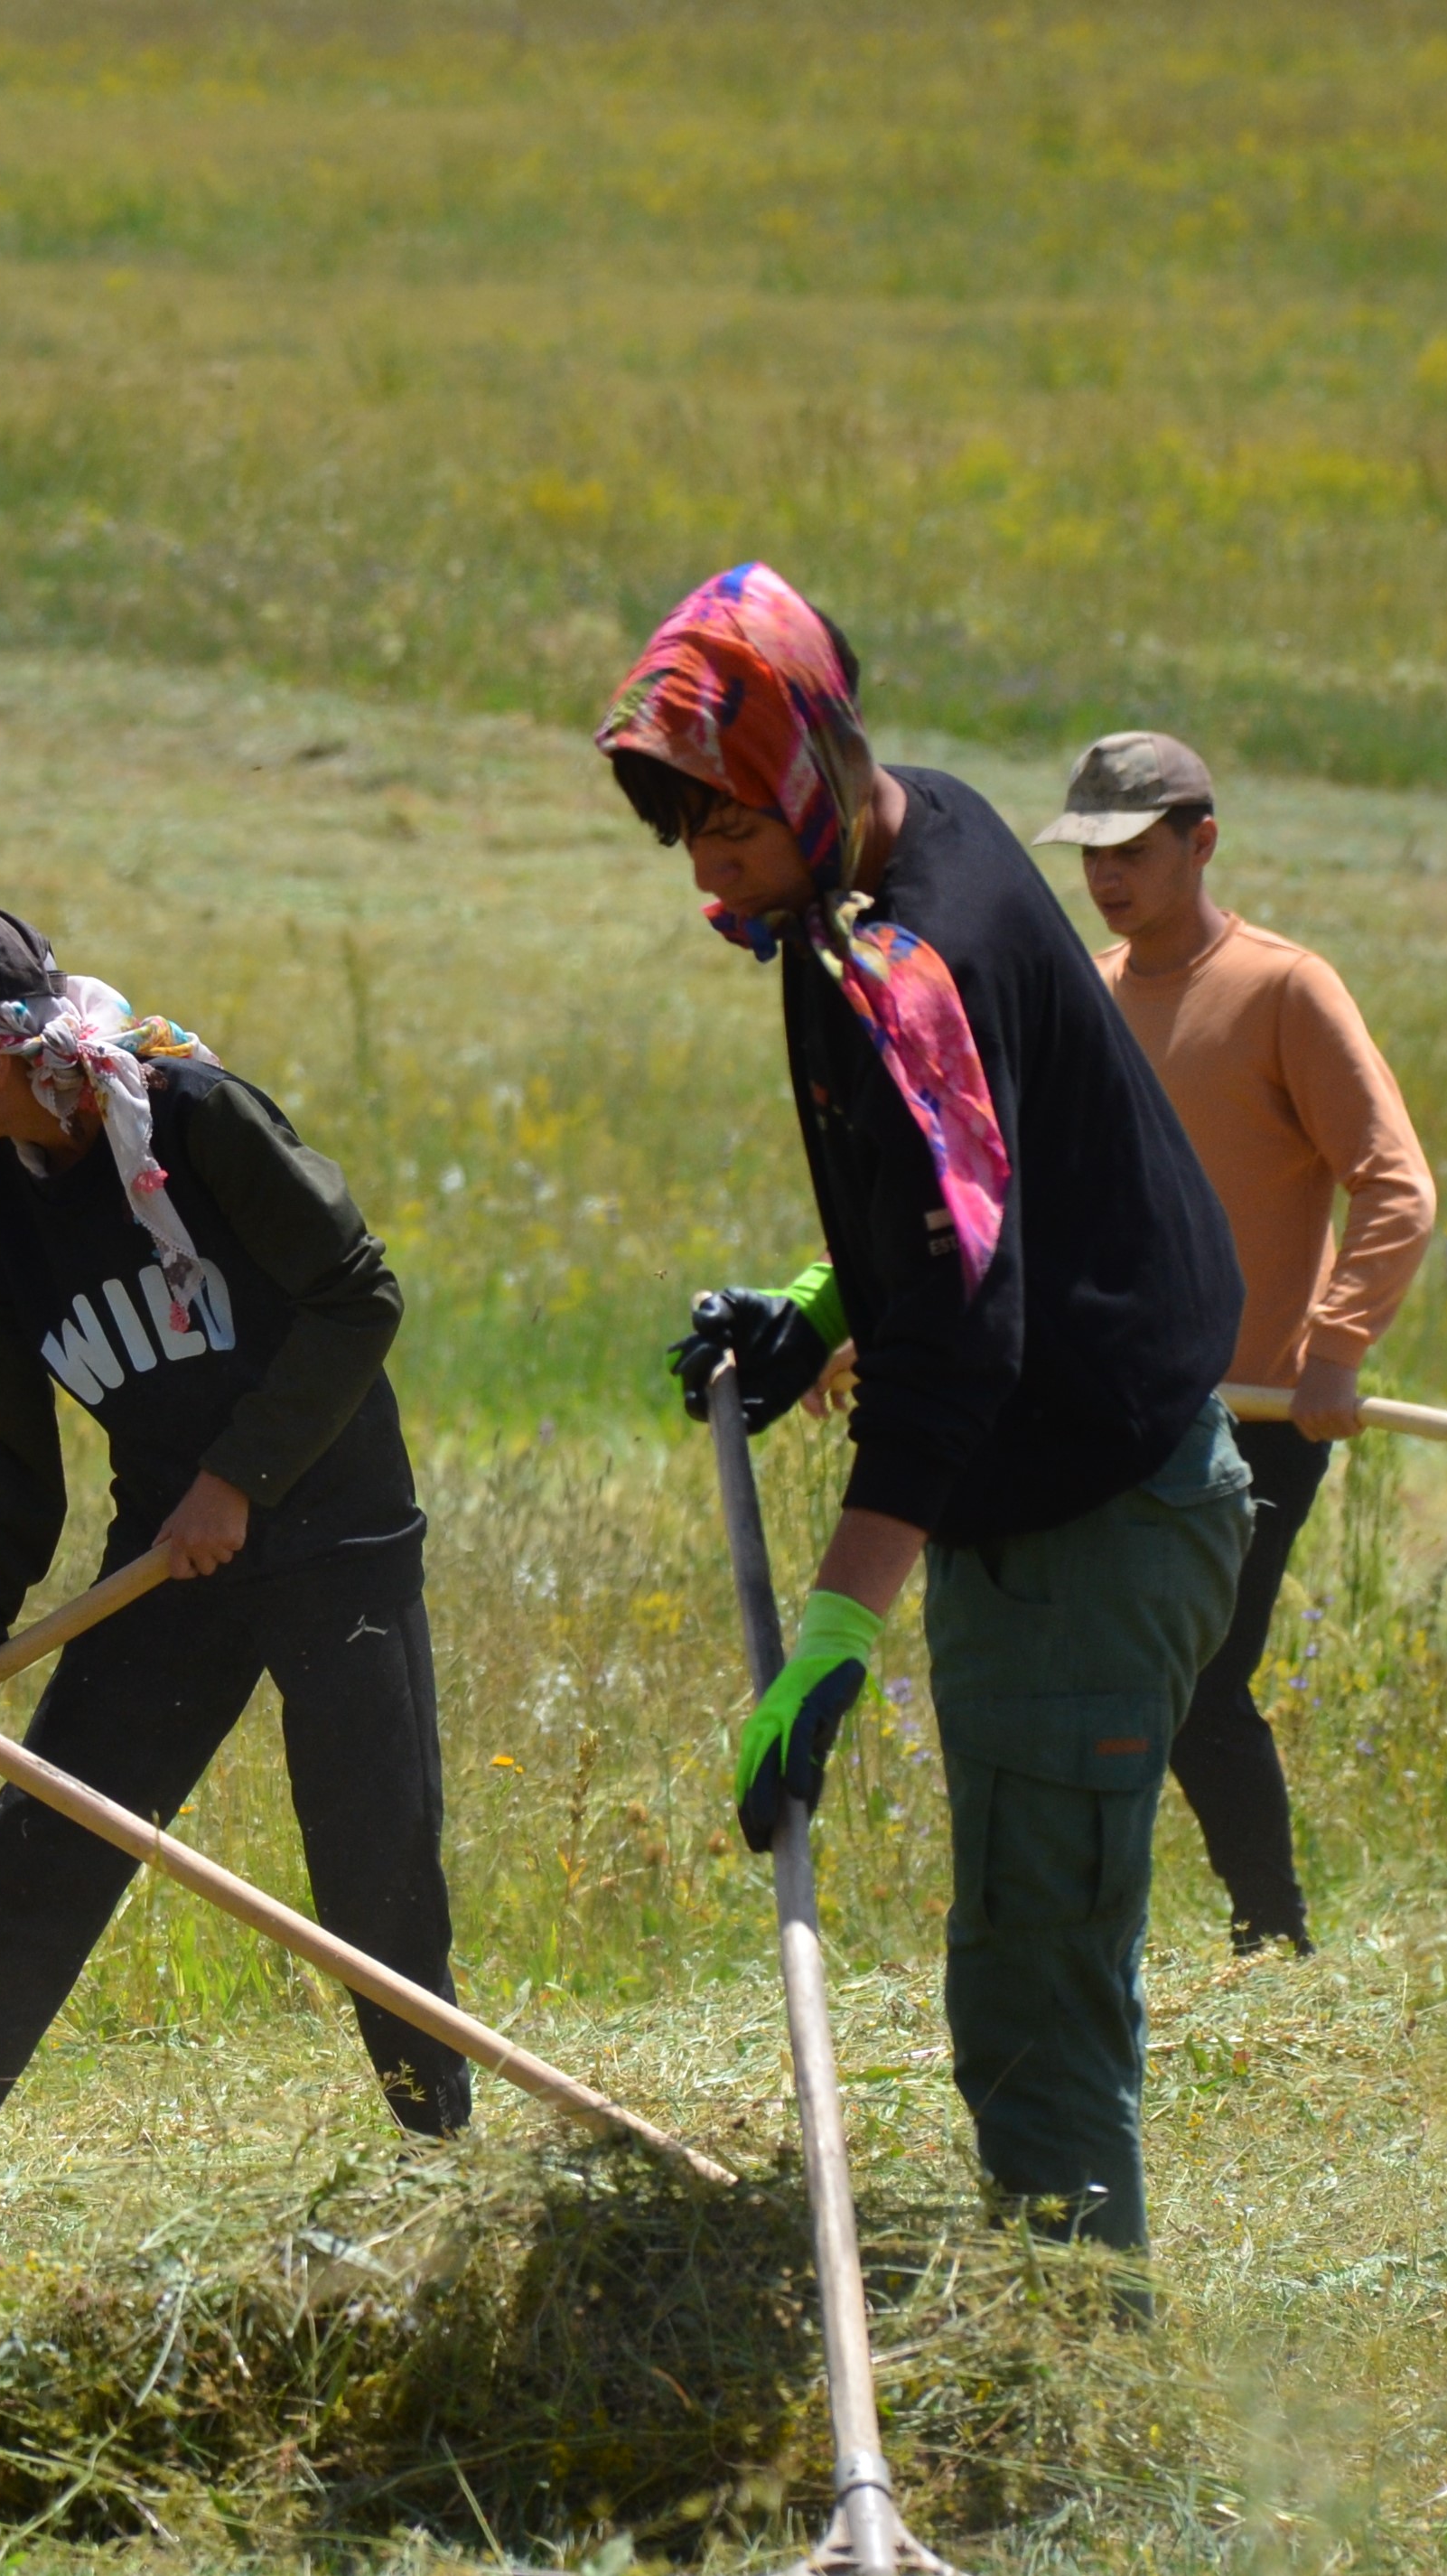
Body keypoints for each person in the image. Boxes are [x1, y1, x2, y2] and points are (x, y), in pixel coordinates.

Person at [607, 564, 1246, 2266]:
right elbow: (974, 1189)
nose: (707, 871)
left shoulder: (910, 961)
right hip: (1059, 1498)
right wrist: (825, 1302)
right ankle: (1066, 2329)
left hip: (1093, 1523)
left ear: (813, 770)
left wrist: (828, 1644)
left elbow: (968, 1337)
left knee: (1037, 1996)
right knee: (1026, 1962)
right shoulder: (915, 839)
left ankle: (1084, 2419)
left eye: (728, 827)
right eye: (684, 837)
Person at [0, 903, 469, 2273]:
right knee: (37, 1865)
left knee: (374, 1870)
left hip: (337, 1541)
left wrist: (237, 1477)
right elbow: (16, 1447)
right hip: (159, 1576)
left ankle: (448, 2170)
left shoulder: (192, 1118)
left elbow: (359, 1297)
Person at [1037, 733, 1436, 1958]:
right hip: (1115, 1415)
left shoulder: (1285, 991)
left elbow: (1396, 1187)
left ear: (1201, 841)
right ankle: (1085, 1936)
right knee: (1090, 1679)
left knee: (1203, 1681)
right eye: (1090, 852)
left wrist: (1337, 1343)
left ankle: (1273, 1935)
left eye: (1133, 850)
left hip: (1259, 1415)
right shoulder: (1086, 1000)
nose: (1106, 876)